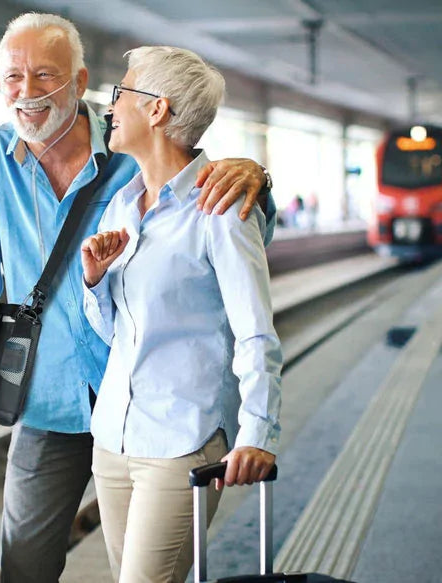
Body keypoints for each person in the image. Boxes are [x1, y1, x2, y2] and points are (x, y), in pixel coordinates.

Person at [0, 13, 275, 583]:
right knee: (25, 565)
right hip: (48, 397)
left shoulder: (127, 151)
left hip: (148, 399)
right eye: (13, 77)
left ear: (79, 81)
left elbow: (208, 213)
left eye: (45, 75)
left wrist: (256, 175)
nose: (27, 92)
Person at [79, 47, 282, 582]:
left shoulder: (221, 206)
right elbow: (115, 332)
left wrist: (257, 431)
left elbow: (255, 330)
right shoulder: (123, 205)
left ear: (157, 110)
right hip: (114, 440)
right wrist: (97, 282)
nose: (111, 106)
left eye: (122, 93)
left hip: (181, 441)